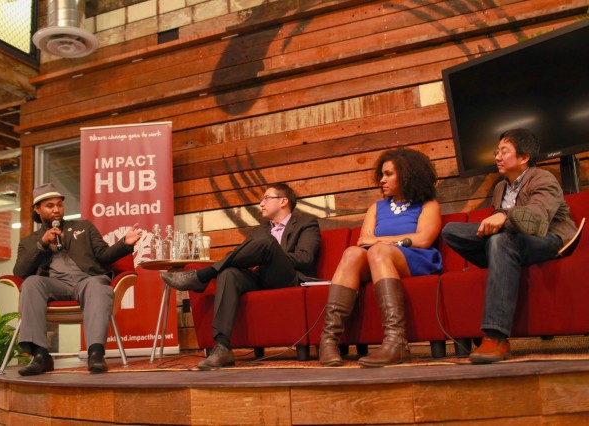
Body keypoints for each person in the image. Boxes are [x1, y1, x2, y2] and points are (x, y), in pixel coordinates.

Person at [442, 128, 577, 363]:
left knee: (500, 239)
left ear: (524, 157)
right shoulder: (500, 188)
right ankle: (503, 260)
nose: (497, 157)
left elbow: (537, 218)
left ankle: (496, 338)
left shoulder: (543, 178)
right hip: (513, 242)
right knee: (451, 231)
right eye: (496, 152)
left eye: (504, 151)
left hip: (549, 239)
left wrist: (503, 215)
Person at [162, 183, 321, 369]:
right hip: (261, 277)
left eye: (266, 198)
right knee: (229, 272)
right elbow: (237, 255)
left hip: (288, 278)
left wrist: (270, 254)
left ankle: (203, 276)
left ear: (283, 201)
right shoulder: (259, 231)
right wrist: (258, 256)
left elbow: (305, 257)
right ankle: (222, 347)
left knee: (267, 243)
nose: (261, 203)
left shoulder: (306, 223)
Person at [319, 148, 442, 367]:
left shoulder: (428, 204)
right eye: (382, 175)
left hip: (416, 258)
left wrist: (381, 241)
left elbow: (423, 239)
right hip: (380, 258)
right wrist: (389, 241)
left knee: (378, 250)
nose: (382, 180)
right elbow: (362, 241)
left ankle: (396, 342)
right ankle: (328, 341)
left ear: (407, 175)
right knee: (351, 253)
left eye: (388, 174)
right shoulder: (376, 207)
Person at [13, 183, 143, 376]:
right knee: (31, 283)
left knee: (99, 287)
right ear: (37, 209)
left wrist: (124, 243)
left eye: (59, 205)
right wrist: (43, 244)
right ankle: (40, 356)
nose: (56, 210)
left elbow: (104, 255)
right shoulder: (29, 242)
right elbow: (20, 272)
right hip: (55, 286)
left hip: (87, 281)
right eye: (50, 206)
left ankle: (95, 354)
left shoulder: (83, 227)